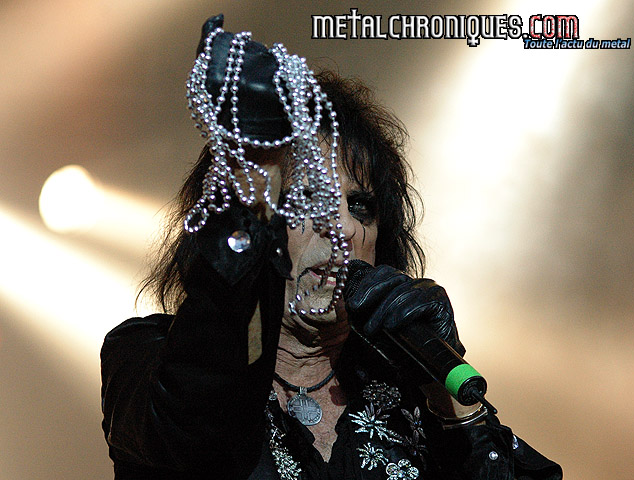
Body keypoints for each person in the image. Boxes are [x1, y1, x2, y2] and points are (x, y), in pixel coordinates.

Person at [100, 14, 562, 480]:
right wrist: (253, 175)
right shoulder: (147, 356)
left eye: (361, 206)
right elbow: (195, 429)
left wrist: (448, 398)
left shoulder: (411, 392)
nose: (344, 227)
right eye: (307, 198)